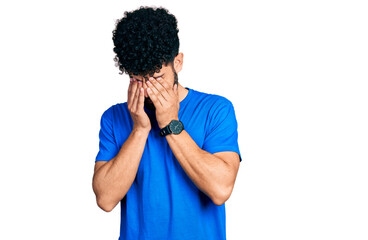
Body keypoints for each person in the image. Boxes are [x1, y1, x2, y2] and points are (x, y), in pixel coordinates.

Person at [92, 6, 242, 240]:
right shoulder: (114, 118)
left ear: (178, 62)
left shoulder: (216, 110)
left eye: (157, 78)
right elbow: (105, 199)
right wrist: (140, 130)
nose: (148, 91)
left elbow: (221, 189)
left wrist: (172, 124)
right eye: (137, 79)